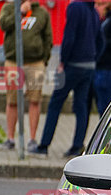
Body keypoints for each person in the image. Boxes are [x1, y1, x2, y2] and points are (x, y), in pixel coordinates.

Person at [31, 0, 102, 158]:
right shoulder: (94, 13)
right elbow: (100, 41)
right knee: (82, 106)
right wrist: (93, 58)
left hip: (72, 65)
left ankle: (43, 146)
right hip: (89, 66)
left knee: (55, 102)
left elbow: (69, 36)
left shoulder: (75, 7)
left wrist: (62, 62)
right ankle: (77, 147)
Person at [0, 0, 52, 152]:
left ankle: (32, 139)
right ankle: (10, 138)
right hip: (13, 62)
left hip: (35, 63)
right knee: (12, 100)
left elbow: (48, 38)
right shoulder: (8, 7)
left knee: (35, 100)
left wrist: (44, 59)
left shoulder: (42, 12)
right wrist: (19, 12)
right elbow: (4, 25)